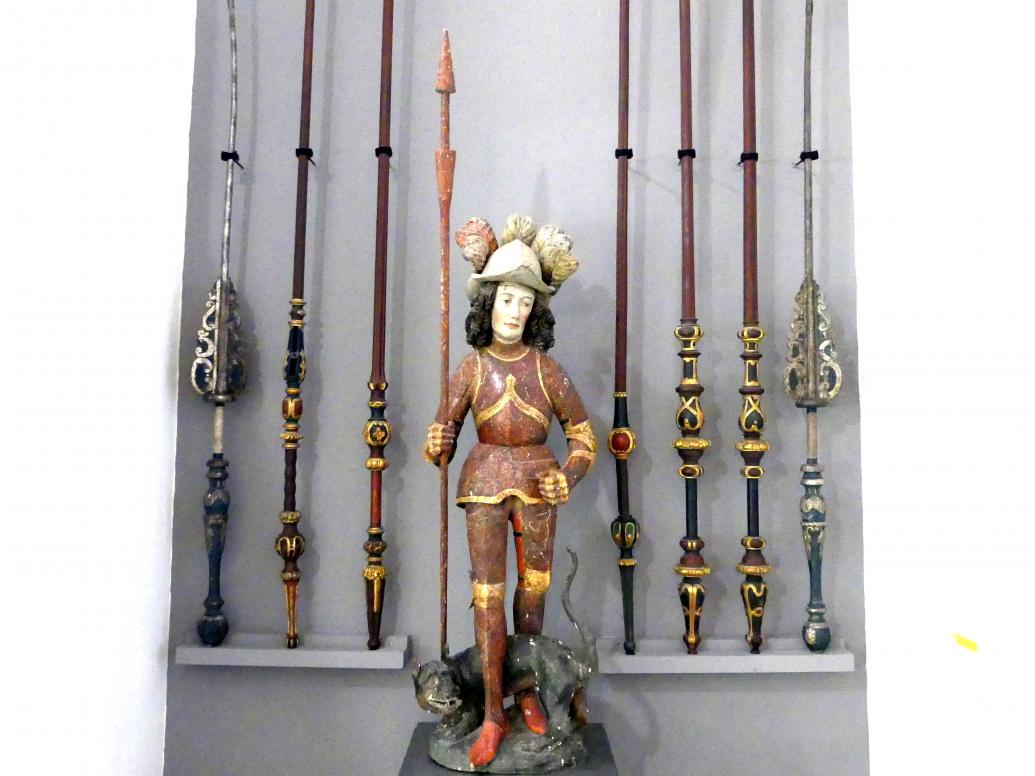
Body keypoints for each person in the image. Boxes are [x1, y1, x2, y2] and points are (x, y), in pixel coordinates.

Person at [424, 214, 596, 767]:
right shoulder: (472, 369)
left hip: (538, 486)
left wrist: (567, 475)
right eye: (506, 300)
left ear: (535, 311)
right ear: (488, 303)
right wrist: (437, 440)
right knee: (488, 597)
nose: (515, 311)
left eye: (525, 302)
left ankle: (526, 691)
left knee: (534, 592)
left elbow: (583, 437)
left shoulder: (547, 371)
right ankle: (493, 710)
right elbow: (443, 431)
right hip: (483, 483)